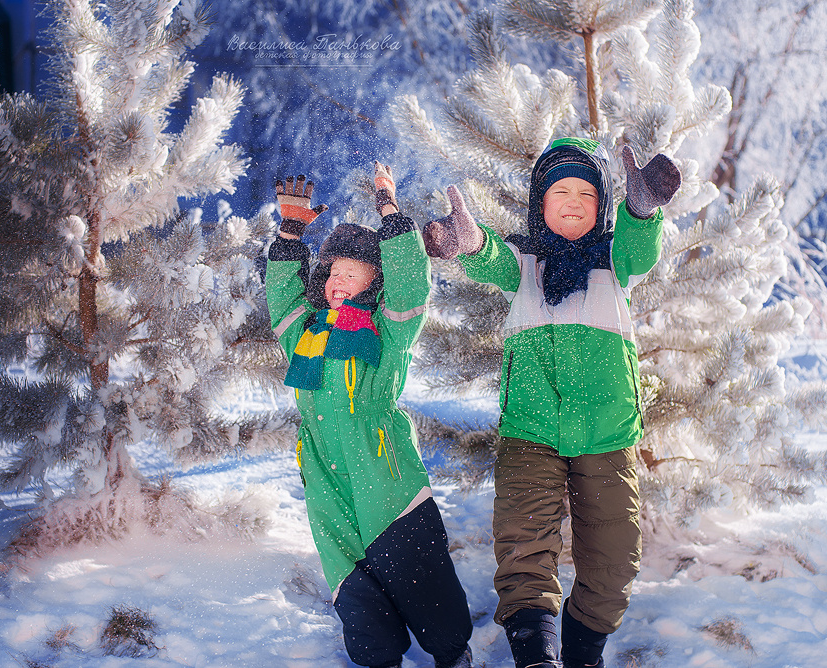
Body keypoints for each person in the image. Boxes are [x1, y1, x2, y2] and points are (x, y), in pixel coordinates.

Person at [422, 138, 681, 668]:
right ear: (539, 202)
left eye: (586, 192)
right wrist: (470, 242)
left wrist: (641, 208)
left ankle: (584, 652)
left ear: (602, 206)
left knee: (615, 559)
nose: (572, 200)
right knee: (523, 546)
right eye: (559, 189)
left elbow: (641, 246)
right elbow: (489, 255)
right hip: (530, 430)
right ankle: (537, 655)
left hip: (609, 432)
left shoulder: (615, 259)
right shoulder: (525, 263)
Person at [265, 163, 473, 668]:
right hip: (323, 467)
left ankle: (452, 652)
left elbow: (410, 287)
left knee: (413, 561)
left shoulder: (387, 329)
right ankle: (377, 657)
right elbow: (282, 301)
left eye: (350, 272)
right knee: (350, 573)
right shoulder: (306, 334)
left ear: (373, 279)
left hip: (381, 464)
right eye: (332, 271)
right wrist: (291, 236)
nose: (337, 280)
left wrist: (389, 210)